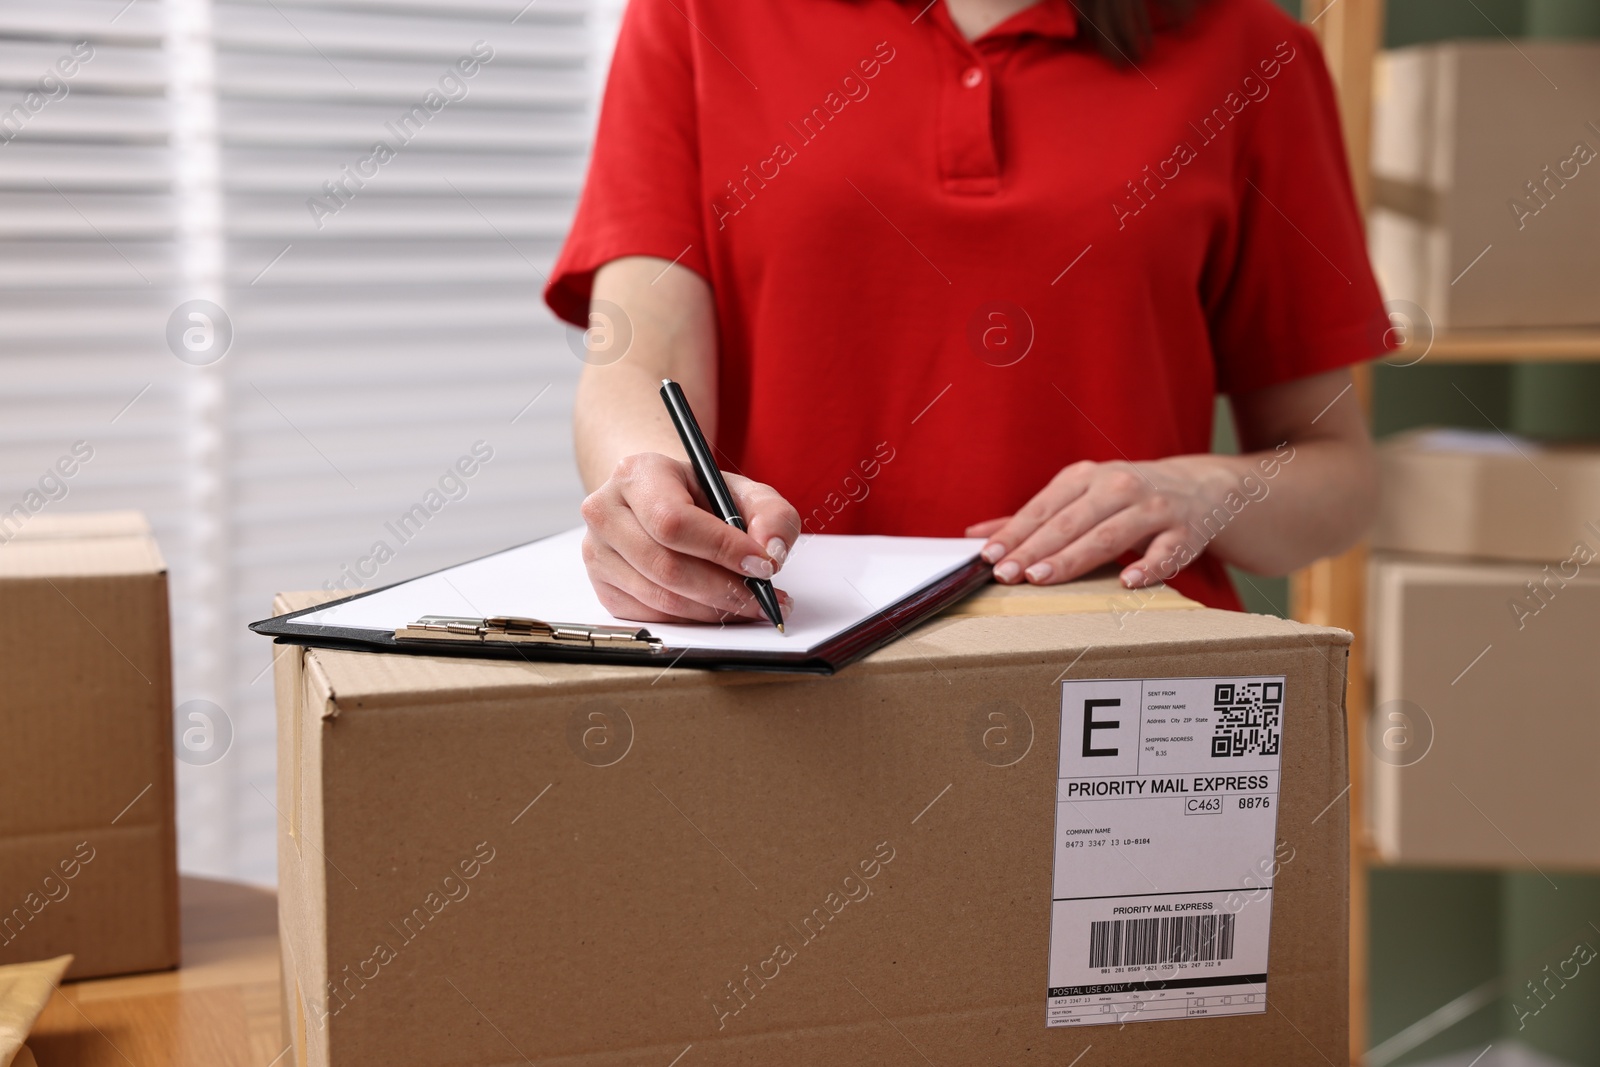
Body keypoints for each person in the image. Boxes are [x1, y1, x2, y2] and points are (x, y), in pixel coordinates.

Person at [545, 0, 1393, 625]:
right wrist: (653, 495)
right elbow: (636, 358)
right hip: (787, 675)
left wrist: (1211, 488)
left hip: (1126, 697)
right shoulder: (696, 18)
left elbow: (1338, 478)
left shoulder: (1252, 52)